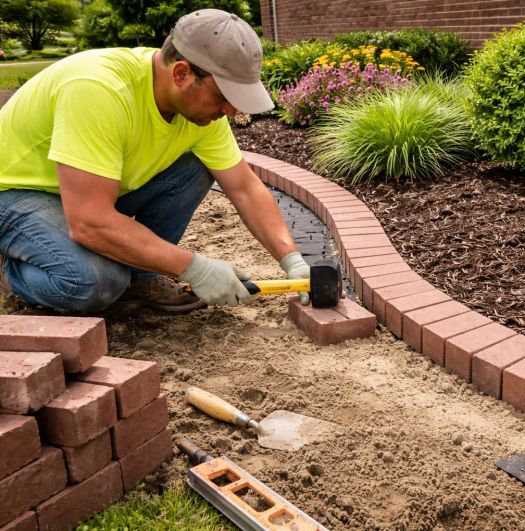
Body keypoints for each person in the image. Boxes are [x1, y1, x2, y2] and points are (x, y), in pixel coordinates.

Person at [0, 9, 311, 313]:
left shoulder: (198, 110)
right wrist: (193, 268)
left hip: (87, 194)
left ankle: (140, 279)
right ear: (181, 74)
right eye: (222, 97)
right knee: (97, 281)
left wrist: (292, 260)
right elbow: (88, 221)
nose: (231, 110)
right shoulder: (98, 90)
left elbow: (245, 188)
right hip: (16, 193)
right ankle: (13, 268)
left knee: (196, 167)